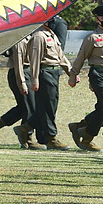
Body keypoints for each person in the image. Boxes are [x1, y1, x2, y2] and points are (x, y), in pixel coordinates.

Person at [67, 4, 103, 152]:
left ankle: (86, 133)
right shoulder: (92, 38)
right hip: (99, 74)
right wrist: (73, 75)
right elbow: (81, 57)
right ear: (97, 19)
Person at [26, 18, 72, 149]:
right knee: (48, 107)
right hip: (44, 73)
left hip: (54, 73)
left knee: (49, 105)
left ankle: (25, 128)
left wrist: (71, 72)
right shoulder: (38, 36)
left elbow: (60, 56)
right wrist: (34, 80)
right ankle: (51, 137)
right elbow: (34, 60)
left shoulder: (51, 34)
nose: (53, 22)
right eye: (50, 19)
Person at [0, 36, 37, 148]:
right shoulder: (20, 38)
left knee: (23, 107)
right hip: (20, 73)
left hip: (26, 72)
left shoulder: (29, 37)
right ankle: (27, 138)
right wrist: (22, 82)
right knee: (29, 107)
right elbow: (18, 63)